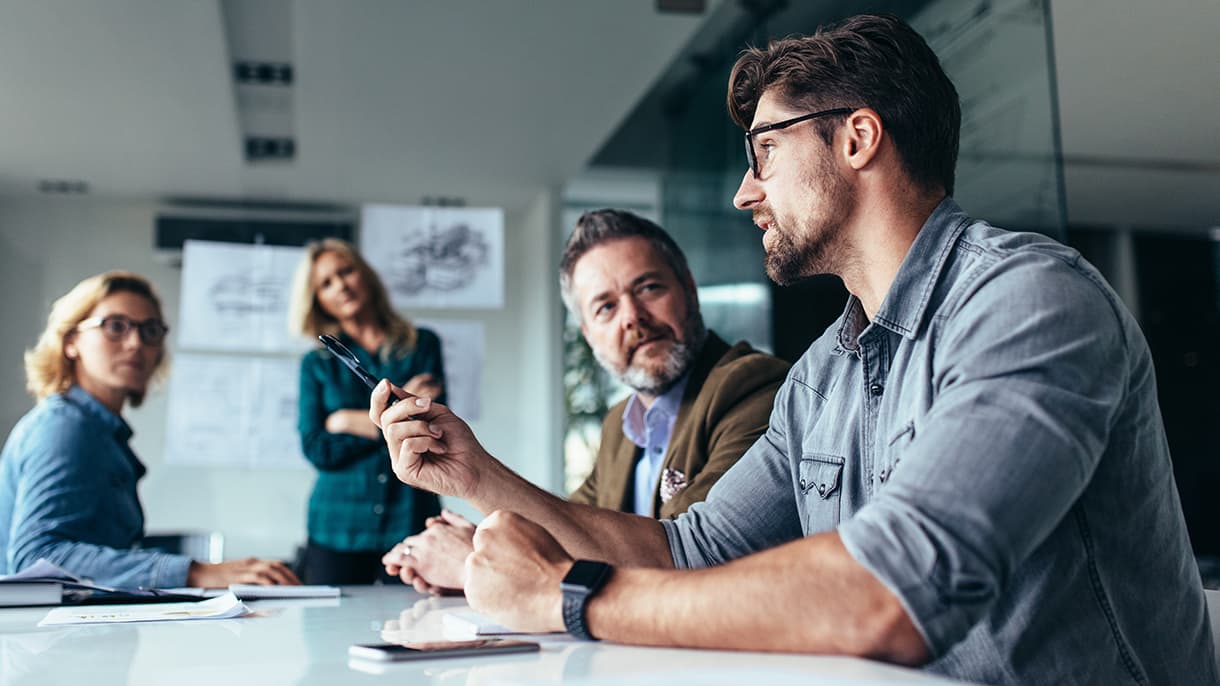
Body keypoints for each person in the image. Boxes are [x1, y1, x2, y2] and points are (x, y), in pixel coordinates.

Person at [369, 13, 1216, 684]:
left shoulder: (1029, 300)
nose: (745, 191)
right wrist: (472, 474)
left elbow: (891, 596)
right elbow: (685, 551)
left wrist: (568, 598)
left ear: (856, 139)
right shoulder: (824, 374)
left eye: (766, 152)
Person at [381, 210, 789, 592]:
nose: (632, 316)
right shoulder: (620, 425)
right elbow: (570, 532)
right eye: (606, 307)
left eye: (648, 288)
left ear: (688, 288)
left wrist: (475, 560)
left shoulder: (753, 388)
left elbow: (684, 560)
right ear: (588, 332)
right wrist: (485, 539)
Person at [0, 271, 299, 588]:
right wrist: (195, 572)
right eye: (115, 326)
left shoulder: (101, 434)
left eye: (151, 330)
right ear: (71, 341)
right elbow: (37, 558)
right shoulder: (64, 427)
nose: (136, 343)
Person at [290, 238, 445, 584]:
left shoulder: (422, 345)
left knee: (415, 627)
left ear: (365, 276)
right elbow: (317, 447)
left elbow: (429, 430)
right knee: (328, 634)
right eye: (326, 283)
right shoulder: (316, 365)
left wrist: (345, 421)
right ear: (318, 300)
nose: (341, 285)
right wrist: (393, 422)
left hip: (409, 519)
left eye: (346, 272)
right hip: (337, 527)